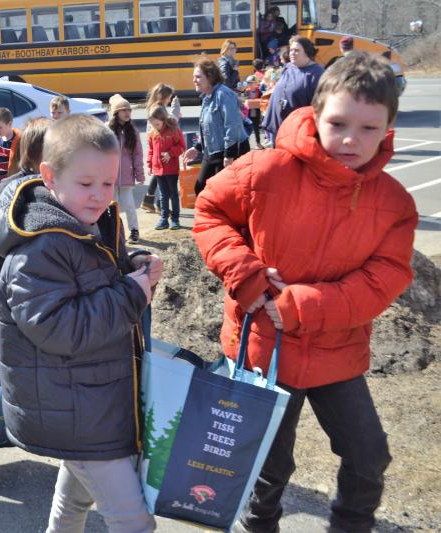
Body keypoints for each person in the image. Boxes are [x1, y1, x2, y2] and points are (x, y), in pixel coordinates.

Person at [193, 53, 417, 533]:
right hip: (261, 350)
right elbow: (209, 212)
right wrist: (246, 275)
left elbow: (385, 277)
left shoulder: (394, 204)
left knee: (368, 455)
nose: (351, 139)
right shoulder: (264, 169)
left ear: (388, 129)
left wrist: (298, 307)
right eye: (338, 123)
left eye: (369, 128)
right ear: (315, 114)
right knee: (268, 467)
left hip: (337, 352)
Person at [0, 114, 163, 532]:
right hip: (79, 408)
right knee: (135, 523)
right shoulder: (40, 249)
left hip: (90, 403)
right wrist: (132, 293)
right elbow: (61, 329)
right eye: (86, 184)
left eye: (108, 183)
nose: (100, 195)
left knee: (74, 499)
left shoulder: (85, 227)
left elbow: (95, 277)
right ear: (49, 176)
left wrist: (132, 265)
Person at [0, 116, 50, 317]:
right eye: (55, 150)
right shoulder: (11, 190)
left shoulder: (57, 185)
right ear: (35, 153)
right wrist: (12, 281)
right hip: (11, 298)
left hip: (41, 296)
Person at [184, 55, 249, 196]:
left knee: (224, 195)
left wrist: (229, 155)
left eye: (198, 77)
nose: (194, 80)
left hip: (229, 152)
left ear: (210, 77)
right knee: (201, 189)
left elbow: (232, 125)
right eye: (194, 77)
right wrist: (198, 147)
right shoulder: (206, 97)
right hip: (212, 151)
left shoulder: (223, 94)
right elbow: (209, 128)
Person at [261, 36, 324, 144]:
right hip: (277, 128)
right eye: (291, 50)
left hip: (296, 133)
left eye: (297, 50)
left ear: (307, 53)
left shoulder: (317, 74)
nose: (292, 53)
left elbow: (319, 108)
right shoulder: (289, 67)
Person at [108, 94, 144, 242]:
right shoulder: (107, 130)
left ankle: (134, 230)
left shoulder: (133, 132)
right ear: (116, 113)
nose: (127, 113)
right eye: (123, 110)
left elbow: (137, 155)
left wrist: (139, 174)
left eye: (129, 110)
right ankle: (113, 231)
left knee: (129, 205)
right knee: (112, 206)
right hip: (110, 177)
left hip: (127, 176)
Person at [141, 82, 181, 212]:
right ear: (164, 97)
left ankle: (150, 200)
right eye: (169, 97)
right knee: (163, 173)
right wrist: (175, 113)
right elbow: (167, 124)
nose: (170, 99)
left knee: (159, 172)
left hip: (156, 141)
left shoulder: (156, 106)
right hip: (160, 142)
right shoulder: (159, 108)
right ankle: (158, 203)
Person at [147, 105, 186, 230]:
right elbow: (151, 150)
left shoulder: (173, 130)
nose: (155, 127)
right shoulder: (152, 133)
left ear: (163, 119)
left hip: (171, 169)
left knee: (173, 194)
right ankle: (164, 218)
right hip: (158, 170)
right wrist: (149, 165)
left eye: (157, 124)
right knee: (163, 195)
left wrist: (170, 153)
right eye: (153, 124)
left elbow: (181, 146)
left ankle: (175, 219)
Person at [0, 107, 22, 184]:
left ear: (9, 124)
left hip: (14, 182)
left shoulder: (19, 141)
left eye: (0, 127)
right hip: (0, 182)